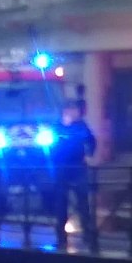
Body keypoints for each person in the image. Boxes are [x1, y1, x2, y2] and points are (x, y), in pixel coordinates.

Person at [54, 100, 97, 250]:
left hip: (77, 165)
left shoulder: (81, 125)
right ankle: (61, 236)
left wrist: (89, 154)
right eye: (69, 110)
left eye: (73, 110)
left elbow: (91, 140)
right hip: (62, 167)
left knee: (82, 201)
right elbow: (51, 145)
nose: (71, 113)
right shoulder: (57, 126)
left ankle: (87, 234)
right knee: (61, 203)